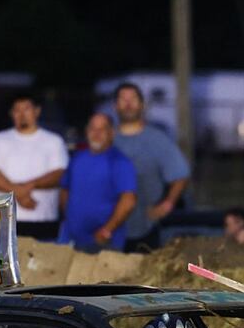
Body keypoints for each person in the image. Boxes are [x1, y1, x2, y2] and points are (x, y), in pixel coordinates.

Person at [0, 92, 69, 241]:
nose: (22, 114)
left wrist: (29, 186)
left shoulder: (54, 141)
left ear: (37, 111)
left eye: (26, 109)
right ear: (11, 114)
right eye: (17, 110)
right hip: (3, 220)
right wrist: (19, 193)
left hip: (43, 220)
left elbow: (59, 175)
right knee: (5, 264)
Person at [112, 82, 191, 250]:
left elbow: (181, 174)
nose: (128, 104)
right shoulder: (107, 140)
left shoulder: (157, 139)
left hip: (146, 228)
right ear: (115, 105)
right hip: (109, 228)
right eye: (123, 99)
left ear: (142, 105)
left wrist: (168, 203)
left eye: (133, 99)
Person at [58, 114, 138, 254]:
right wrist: (70, 220)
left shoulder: (120, 162)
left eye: (102, 129)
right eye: (93, 129)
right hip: (71, 241)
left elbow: (128, 201)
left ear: (112, 133)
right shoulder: (77, 158)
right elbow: (65, 190)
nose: (97, 134)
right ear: (87, 131)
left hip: (103, 244)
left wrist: (107, 230)